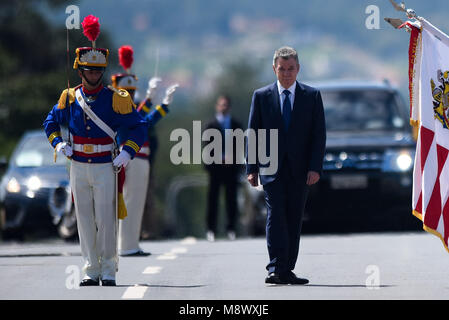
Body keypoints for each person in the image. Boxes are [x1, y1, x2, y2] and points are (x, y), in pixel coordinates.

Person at [43, 16, 147, 287]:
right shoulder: (69, 97)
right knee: (85, 219)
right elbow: (50, 122)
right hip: (77, 164)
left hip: (105, 164)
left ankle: (109, 269)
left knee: (106, 218)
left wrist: (127, 152)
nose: (93, 75)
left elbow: (138, 128)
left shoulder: (116, 98)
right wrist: (59, 144)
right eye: (88, 70)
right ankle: (90, 269)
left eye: (96, 71)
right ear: (80, 71)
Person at [246, 46, 326, 285]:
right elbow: (253, 133)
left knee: (293, 217)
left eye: (291, 69)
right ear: (274, 69)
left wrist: (315, 167)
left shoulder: (311, 96)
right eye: (282, 69)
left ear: (298, 69)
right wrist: (251, 168)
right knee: (276, 215)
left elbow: (318, 135)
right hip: (271, 169)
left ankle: (287, 268)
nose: (287, 73)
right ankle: (275, 267)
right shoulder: (261, 96)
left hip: (301, 170)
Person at [112, 45, 178, 256]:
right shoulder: (118, 109)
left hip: (140, 157)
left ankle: (130, 243)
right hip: (133, 156)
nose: (130, 95)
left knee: (136, 201)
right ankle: (127, 245)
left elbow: (142, 117)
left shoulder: (128, 109)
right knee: (131, 200)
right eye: (127, 91)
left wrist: (154, 101)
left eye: (132, 92)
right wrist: (157, 102)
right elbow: (143, 122)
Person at [204, 95, 243, 241]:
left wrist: (233, 159)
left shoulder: (236, 124)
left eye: (226, 105)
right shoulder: (210, 125)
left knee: (231, 199)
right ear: (217, 106)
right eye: (221, 105)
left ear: (229, 107)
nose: (223, 107)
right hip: (215, 168)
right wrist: (218, 159)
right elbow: (207, 147)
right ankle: (211, 229)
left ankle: (231, 228)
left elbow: (240, 145)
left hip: (231, 167)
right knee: (212, 199)